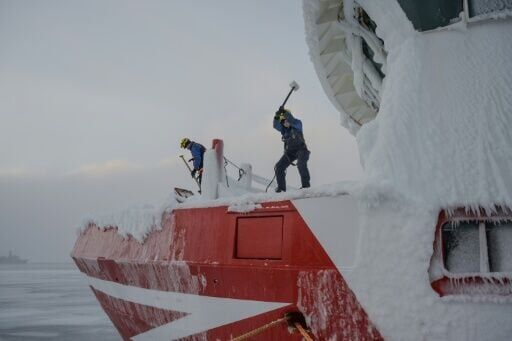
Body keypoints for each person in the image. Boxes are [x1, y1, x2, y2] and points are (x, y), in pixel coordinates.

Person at [273, 107, 310, 192]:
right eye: (283, 121)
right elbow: (275, 125)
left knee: (301, 164)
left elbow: (291, 120)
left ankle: (306, 186)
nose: (285, 122)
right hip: (290, 153)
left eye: (286, 120)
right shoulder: (284, 130)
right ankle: (281, 189)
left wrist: (284, 113)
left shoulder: (297, 123)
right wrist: (277, 115)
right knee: (279, 167)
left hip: (302, 150)